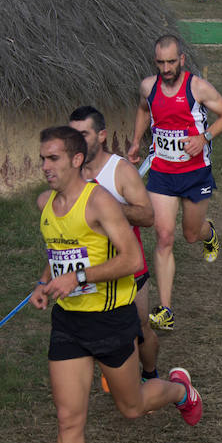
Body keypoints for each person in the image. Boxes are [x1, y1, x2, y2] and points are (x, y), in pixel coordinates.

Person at [30, 126, 203, 443]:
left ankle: (181, 390)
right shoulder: (45, 204)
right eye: (42, 159)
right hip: (68, 322)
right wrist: (44, 282)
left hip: (111, 319)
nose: (45, 167)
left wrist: (78, 277)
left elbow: (132, 260)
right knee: (68, 421)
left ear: (76, 159)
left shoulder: (100, 202)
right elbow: (61, 250)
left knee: (132, 406)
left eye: (53, 158)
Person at [128, 35, 222, 330]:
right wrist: (137, 141)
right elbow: (142, 109)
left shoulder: (197, 87)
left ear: (182, 60)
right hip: (162, 172)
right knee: (163, 237)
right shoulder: (148, 87)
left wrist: (204, 137)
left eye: (171, 62)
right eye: (160, 62)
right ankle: (166, 309)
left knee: (189, 234)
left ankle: (207, 232)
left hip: (195, 172)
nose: (166, 68)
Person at [68, 106, 160, 391]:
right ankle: (119, 373)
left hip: (129, 264)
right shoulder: (71, 173)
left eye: (83, 134)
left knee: (140, 327)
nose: (77, 141)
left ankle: (151, 374)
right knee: (97, 328)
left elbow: (146, 216)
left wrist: (107, 209)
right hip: (92, 266)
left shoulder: (120, 170)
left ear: (102, 136)